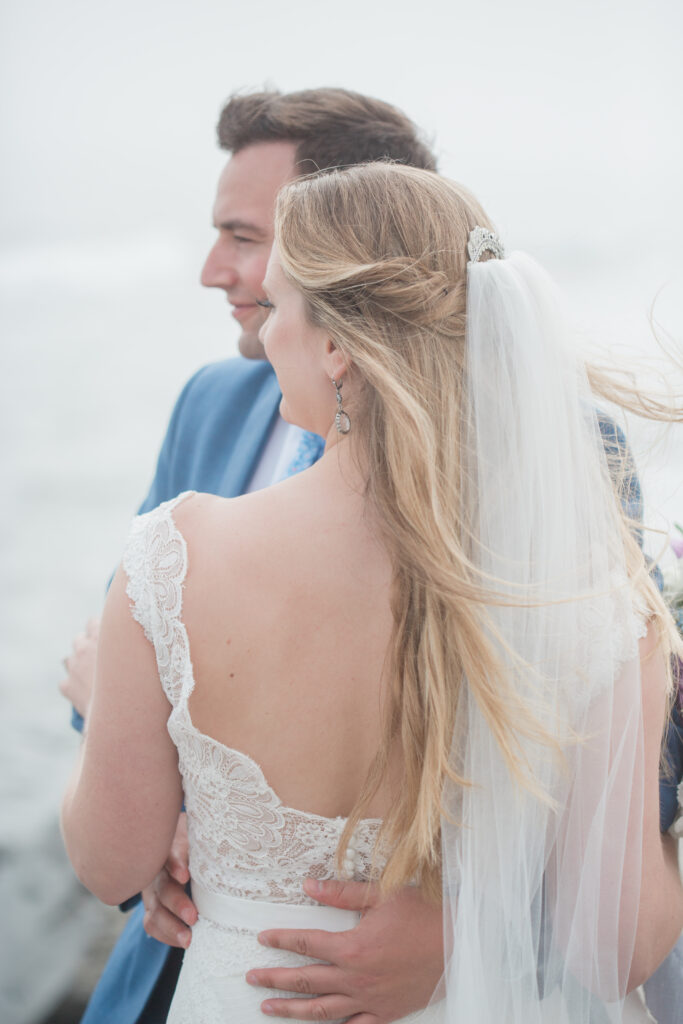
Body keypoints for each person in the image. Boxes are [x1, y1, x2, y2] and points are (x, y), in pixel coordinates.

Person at [62, 162, 683, 1023]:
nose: (264, 333)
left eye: (278, 305)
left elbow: (107, 864)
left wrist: (111, 709)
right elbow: (614, 950)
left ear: (336, 344)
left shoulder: (176, 559)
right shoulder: (592, 595)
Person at [61, 88, 446, 1024]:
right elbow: (125, 672)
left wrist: (453, 923)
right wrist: (171, 833)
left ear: (338, 246)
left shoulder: (562, 453)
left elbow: (614, 775)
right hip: (190, 943)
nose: (213, 271)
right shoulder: (212, 401)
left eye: (243, 237)